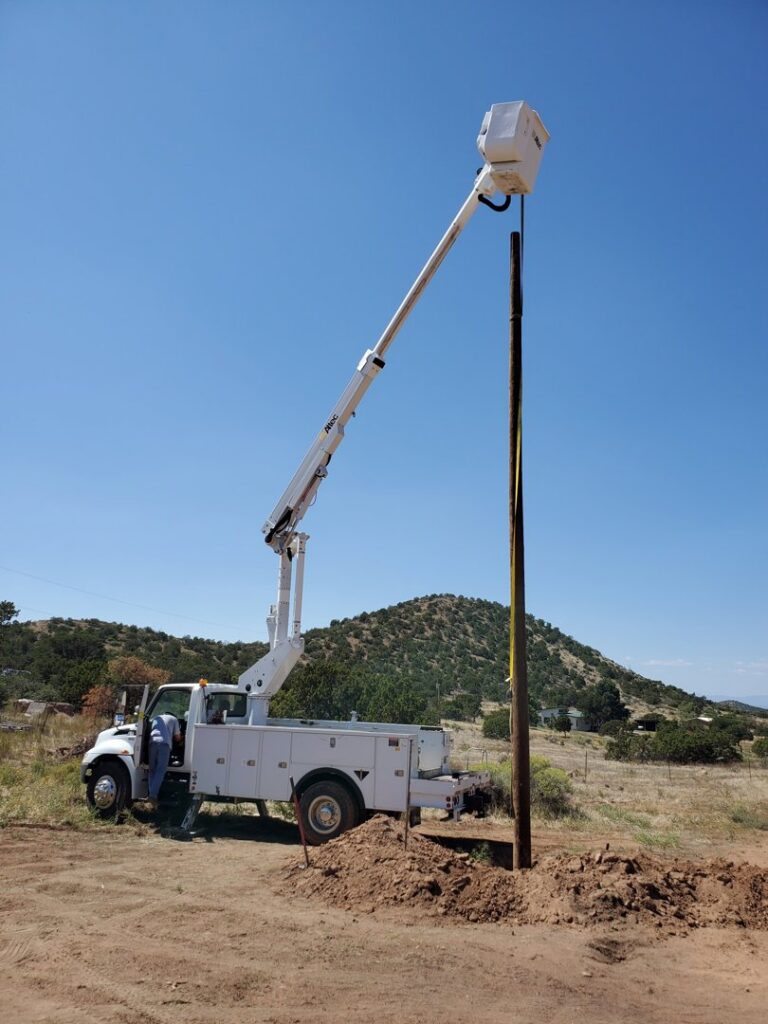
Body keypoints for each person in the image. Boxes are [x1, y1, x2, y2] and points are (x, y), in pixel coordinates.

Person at [148, 712, 181, 806]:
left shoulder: (156, 717)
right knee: (160, 770)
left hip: (152, 743)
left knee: (152, 770)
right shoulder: (174, 719)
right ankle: (153, 795)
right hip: (164, 744)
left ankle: (152, 795)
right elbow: (177, 737)